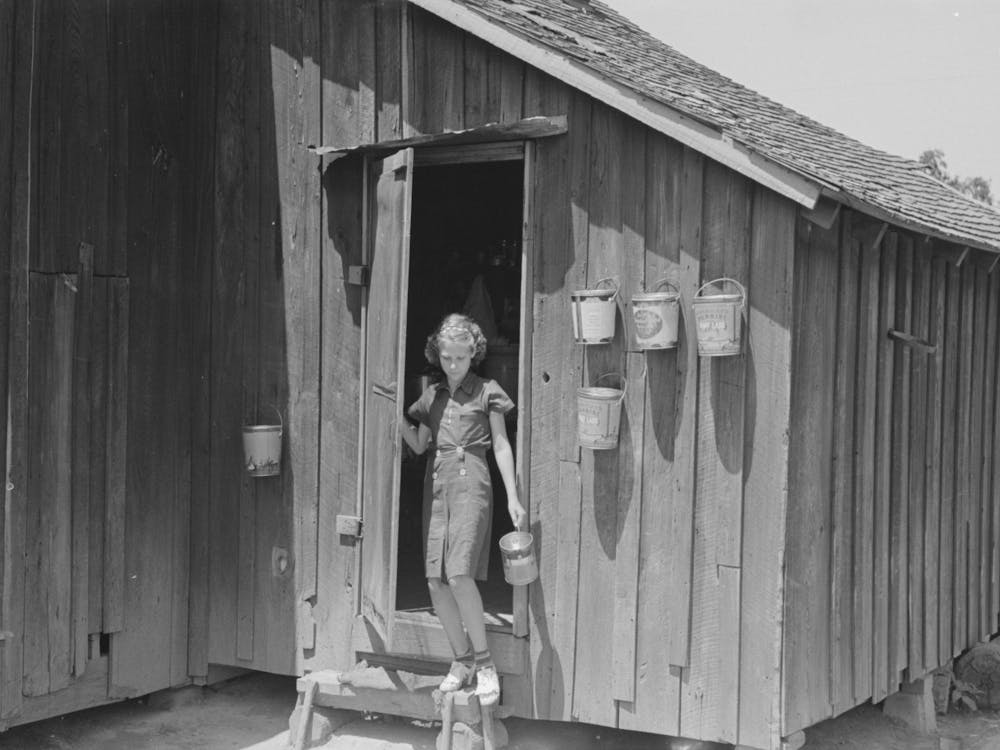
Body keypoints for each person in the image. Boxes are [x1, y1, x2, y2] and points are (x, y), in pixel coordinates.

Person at [400, 313, 526, 706]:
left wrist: (513, 497)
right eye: (446, 357)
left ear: (474, 353)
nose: (453, 365)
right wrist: (392, 412)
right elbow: (420, 445)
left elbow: (502, 445)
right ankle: (461, 661)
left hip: (472, 480)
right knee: (435, 580)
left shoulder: (488, 391)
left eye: (460, 357)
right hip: (437, 486)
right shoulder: (432, 396)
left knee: (458, 574)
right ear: (438, 355)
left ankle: (485, 665)